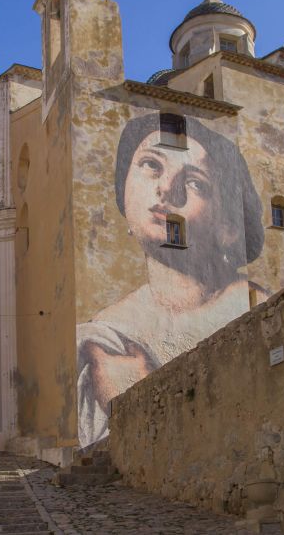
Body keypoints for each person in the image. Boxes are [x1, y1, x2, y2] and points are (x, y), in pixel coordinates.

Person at [77, 112, 265, 446]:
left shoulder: (254, 308)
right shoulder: (102, 333)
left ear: (229, 228)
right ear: (123, 191)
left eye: (195, 183)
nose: (166, 188)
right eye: (151, 165)